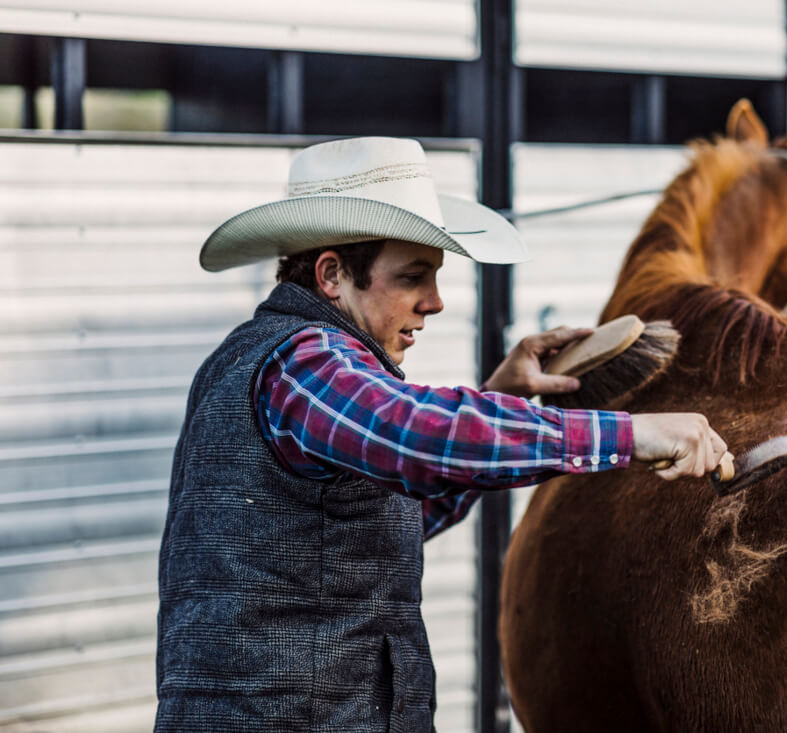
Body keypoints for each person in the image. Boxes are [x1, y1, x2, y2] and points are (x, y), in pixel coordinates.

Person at [155, 137, 729, 732]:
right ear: (331, 275)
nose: (435, 302)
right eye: (412, 277)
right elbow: (416, 433)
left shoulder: (258, 360)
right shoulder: (305, 365)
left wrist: (502, 399)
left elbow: (383, 519)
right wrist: (629, 435)